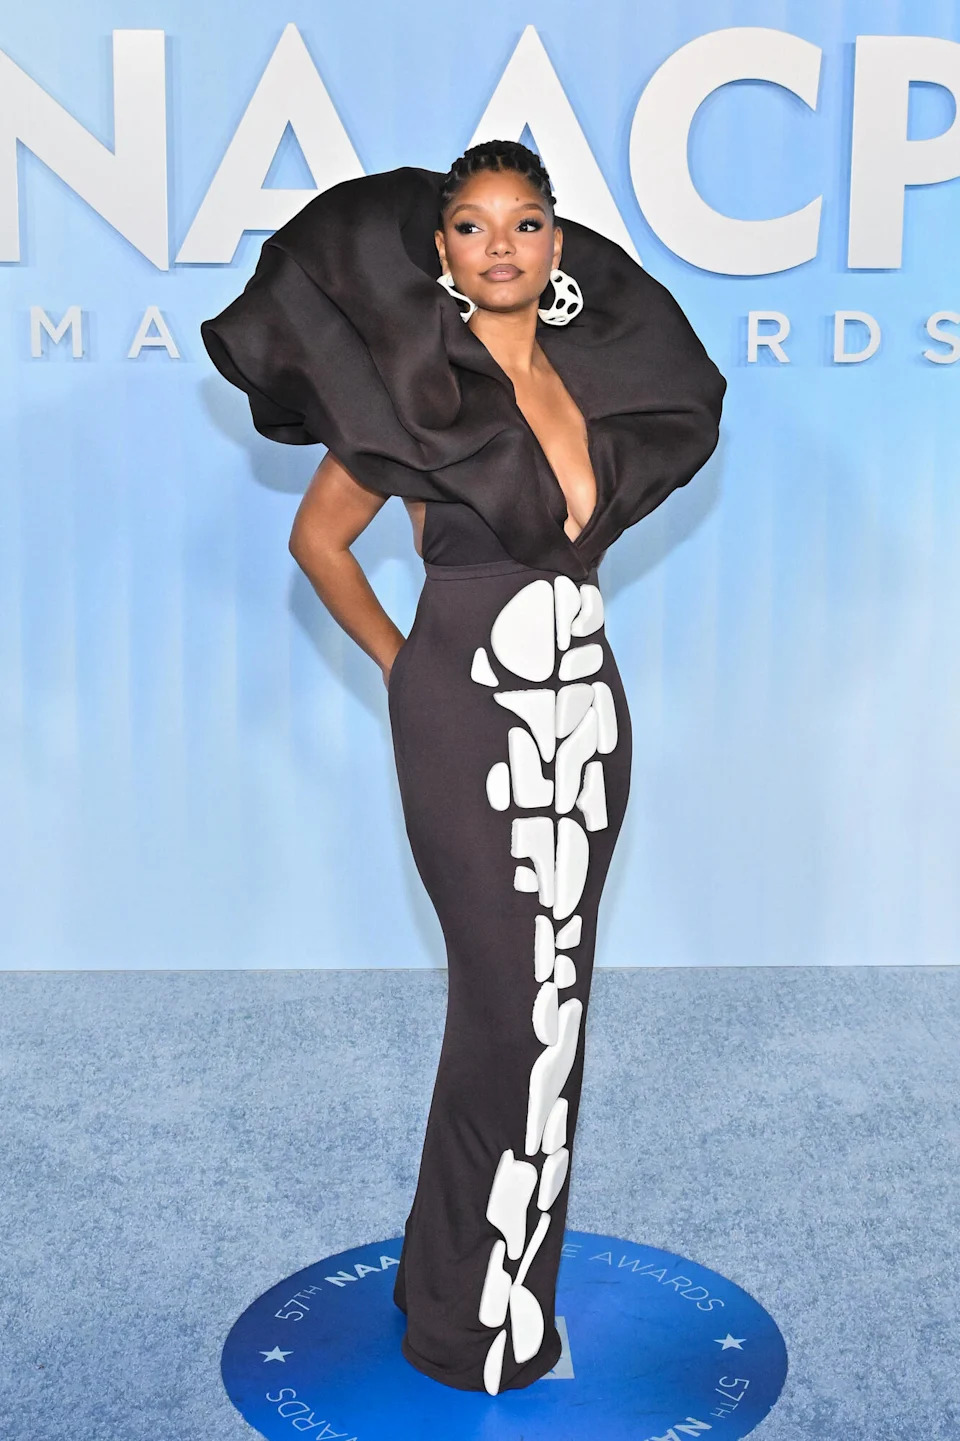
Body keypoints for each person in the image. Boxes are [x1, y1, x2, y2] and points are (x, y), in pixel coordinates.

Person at [200, 139, 726, 1397]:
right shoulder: (411, 394)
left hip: (588, 713)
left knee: (554, 1009)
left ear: (558, 249)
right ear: (441, 253)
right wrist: (405, 665)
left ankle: (453, 1274)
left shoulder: (595, 390)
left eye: (527, 223)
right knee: (513, 1015)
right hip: (466, 718)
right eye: (475, 226)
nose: (503, 246)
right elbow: (319, 541)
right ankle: (473, 1328)